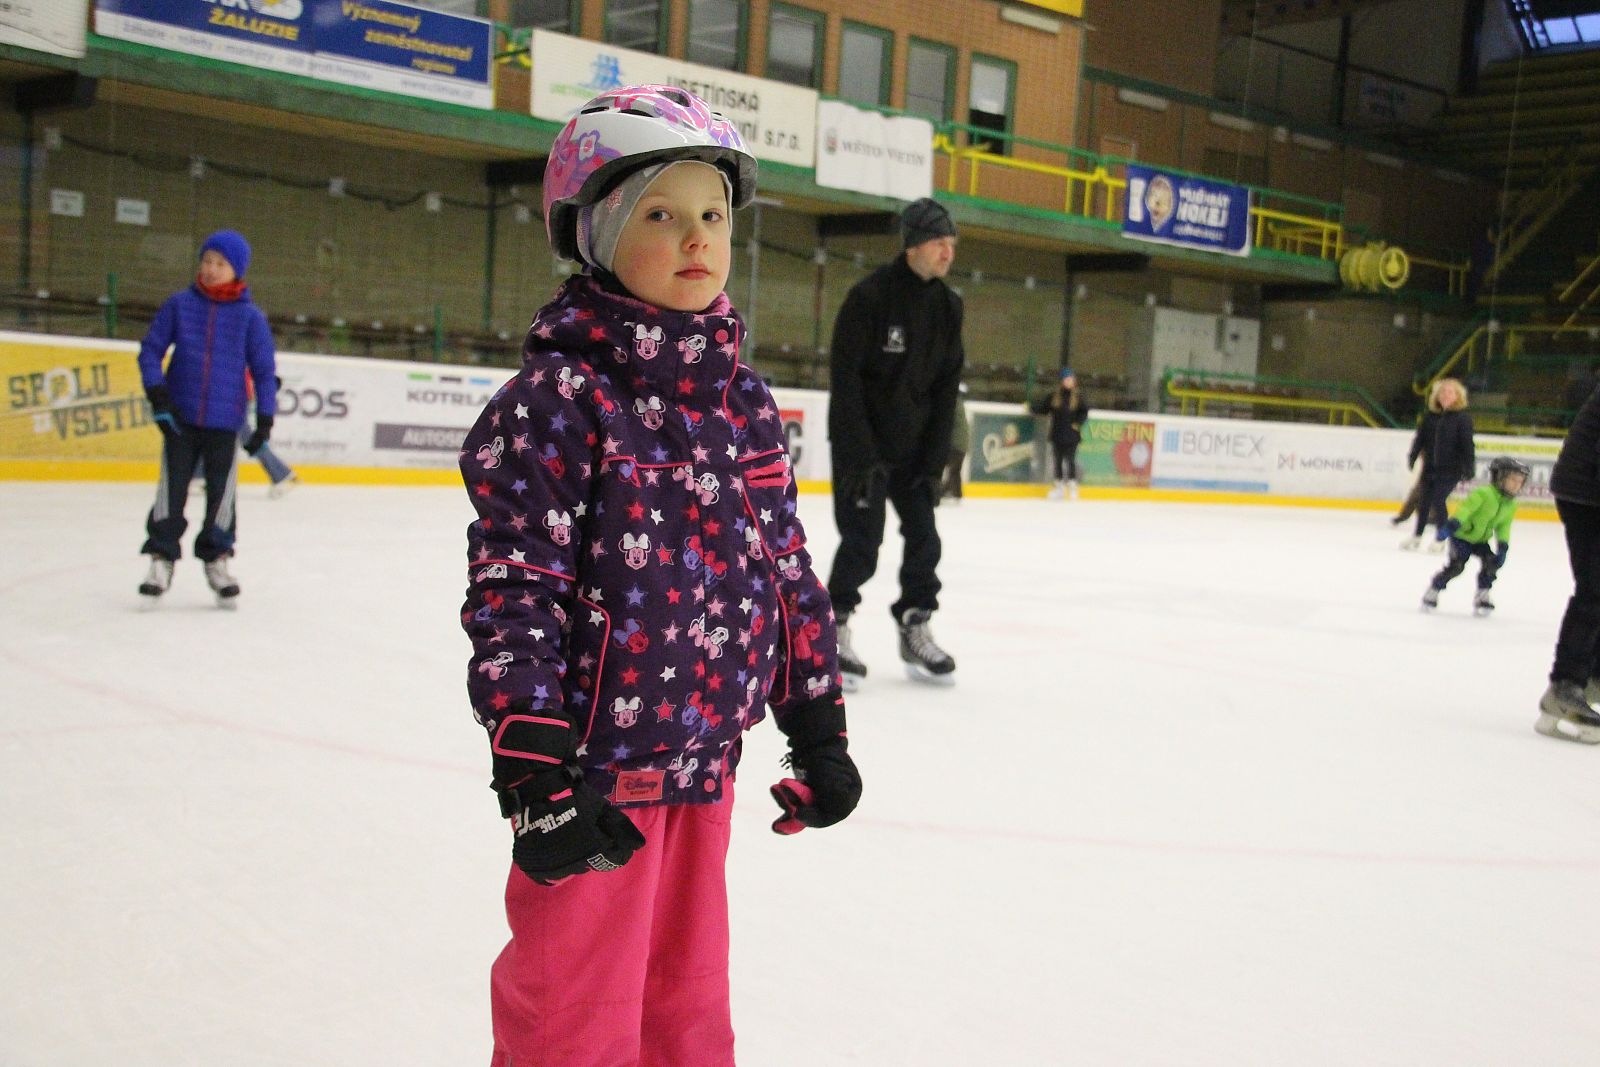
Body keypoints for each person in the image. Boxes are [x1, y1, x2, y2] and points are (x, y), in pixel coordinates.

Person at [457, 85, 861, 1067]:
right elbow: (517, 585)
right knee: (572, 1020)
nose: (696, 237)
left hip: (705, 767)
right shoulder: (557, 399)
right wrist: (533, 765)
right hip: (593, 780)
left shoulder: (742, 401)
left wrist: (817, 726)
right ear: (594, 234)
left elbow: (786, 570)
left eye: (713, 215)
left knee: (685, 1012)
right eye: (660, 214)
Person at [825, 196, 965, 689]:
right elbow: (845, 380)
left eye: (951, 244)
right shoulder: (869, 298)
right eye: (938, 242)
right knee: (863, 542)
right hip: (863, 447)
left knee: (925, 539)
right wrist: (859, 455)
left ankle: (915, 623)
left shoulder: (949, 307)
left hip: (915, 451)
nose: (947, 253)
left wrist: (934, 461)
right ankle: (833, 626)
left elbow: (946, 388)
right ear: (912, 245)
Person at [136, 229, 276, 605]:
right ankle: (161, 559)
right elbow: (150, 351)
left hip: (225, 422)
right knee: (171, 491)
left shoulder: (250, 318)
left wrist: (265, 420)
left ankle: (217, 560)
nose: (211, 269)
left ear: (236, 270)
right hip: (180, 418)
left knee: (221, 496)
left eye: (220, 263)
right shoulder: (180, 305)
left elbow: (264, 371)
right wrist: (158, 395)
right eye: (207, 261)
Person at [1537, 384, 1600, 743]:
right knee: (1594, 590)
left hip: (1585, 489)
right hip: (1587, 494)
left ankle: (1591, 678)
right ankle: (1565, 686)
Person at [1419, 456, 1527, 615]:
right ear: (1499, 477)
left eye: (1520, 481)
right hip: (1461, 537)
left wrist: (1503, 546)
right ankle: (1434, 589)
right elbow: (1466, 510)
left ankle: (1483, 594)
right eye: (1513, 480)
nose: (1517, 485)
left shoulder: (1510, 504)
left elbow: (1504, 526)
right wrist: (1452, 526)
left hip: (1480, 541)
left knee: (1491, 563)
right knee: (1457, 566)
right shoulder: (1483, 493)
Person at [1402, 376, 1474, 552]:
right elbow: (1420, 439)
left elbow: (1467, 444)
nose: (1445, 395)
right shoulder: (1429, 417)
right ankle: (1417, 536)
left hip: (1451, 469)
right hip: (1430, 468)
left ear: (1458, 396)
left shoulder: (1462, 419)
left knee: (1438, 499)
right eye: (1442, 392)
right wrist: (1413, 455)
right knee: (1424, 501)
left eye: (1450, 392)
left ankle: (1441, 538)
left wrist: (1469, 466)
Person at [1042, 367, 1088, 500]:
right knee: (1057, 461)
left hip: (1072, 435)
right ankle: (1059, 488)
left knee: (1070, 460)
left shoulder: (1078, 397)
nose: (1069, 382)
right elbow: (1044, 408)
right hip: (1057, 434)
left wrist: (1078, 423)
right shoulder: (1054, 397)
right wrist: (1030, 407)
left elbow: (1084, 412)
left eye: (1071, 379)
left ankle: (1073, 487)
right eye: (1067, 379)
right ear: (1062, 381)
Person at [939, 381, 970, 504]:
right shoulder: (958, 403)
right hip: (961, 444)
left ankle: (950, 493)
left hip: (955, 443)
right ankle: (952, 493)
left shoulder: (953, 402)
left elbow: (946, 421)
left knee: (950, 468)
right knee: (954, 469)